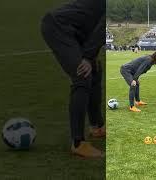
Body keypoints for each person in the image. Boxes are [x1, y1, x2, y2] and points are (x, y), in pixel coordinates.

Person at [41, 0, 105, 158]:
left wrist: (91, 57)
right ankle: (78, 143)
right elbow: (101, 30)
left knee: (95, 70)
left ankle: (97, 127)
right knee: (82, 75)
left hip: (77, 32)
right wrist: (87, 57)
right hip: (58, 27)